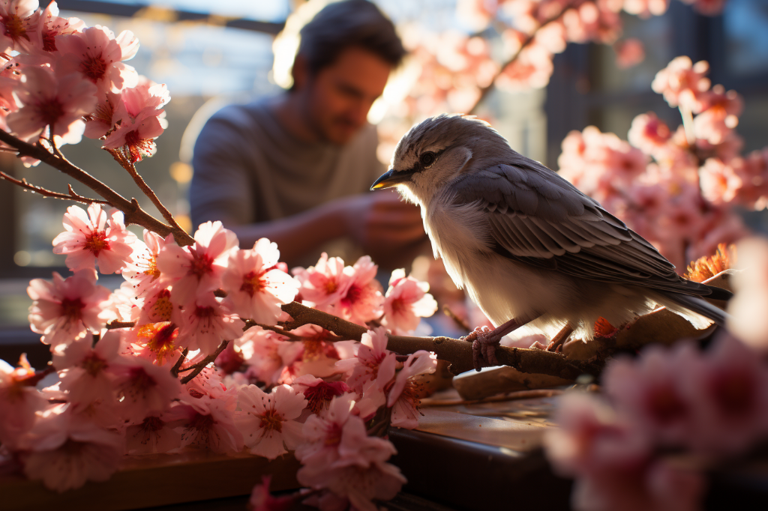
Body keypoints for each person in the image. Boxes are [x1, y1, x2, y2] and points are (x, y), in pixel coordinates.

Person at [190, 0, 427, 269]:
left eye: (373, 100)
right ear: (302, 70)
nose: (360, 116)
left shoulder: (363, 139)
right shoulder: (230, 131)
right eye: (348, 92)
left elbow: (381, 257)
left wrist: (419, 229)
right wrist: (339, 220)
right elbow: (215, 253)